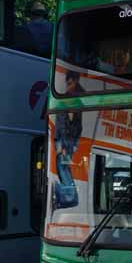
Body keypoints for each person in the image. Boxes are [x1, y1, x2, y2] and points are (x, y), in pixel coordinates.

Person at [51, 71, 84, 211]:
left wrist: (74, 146)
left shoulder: (79, 101)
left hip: (69, 143)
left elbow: (78, 127)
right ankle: (69, 197)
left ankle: (69, 198)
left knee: (64, 168)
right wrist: (59, 145)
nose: (68, 86)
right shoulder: (62, 101)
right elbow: (58, 126)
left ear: (76, 81)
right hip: (63, 142)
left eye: (70, 83)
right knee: (62, 168)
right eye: (67, 83)